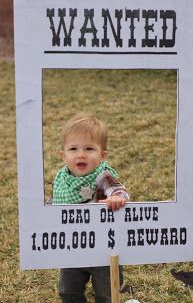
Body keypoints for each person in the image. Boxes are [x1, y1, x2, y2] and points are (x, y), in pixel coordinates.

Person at [52, 113, 129, 303]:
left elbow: (119, 191)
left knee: (108, 293)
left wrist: (116, 199)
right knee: (68, 291)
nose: (81, 154)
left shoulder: (102, 176)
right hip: (72, 247)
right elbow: (54, 202)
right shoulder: (62, 179)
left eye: (89, 148)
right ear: (63, 155)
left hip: (103, 248)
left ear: (102, 155)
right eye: (73, 149)